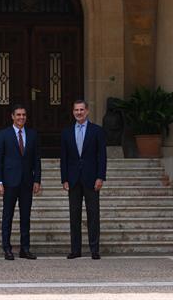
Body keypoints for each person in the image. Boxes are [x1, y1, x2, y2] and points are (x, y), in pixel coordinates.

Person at [0, 104, 41, 260]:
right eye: (18, 115)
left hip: (27, 182)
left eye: (24, 115)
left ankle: (24, 249)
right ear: (12, 116)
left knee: (25, 216)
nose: (21, 117)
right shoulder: (3, 134)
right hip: (9, 182)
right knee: (8, 216)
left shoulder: (32, 135)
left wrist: (37, 180)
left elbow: (36, 160)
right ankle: (7, 248)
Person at [60, 100, 107, 259]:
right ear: (73, 112)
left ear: (87, 111)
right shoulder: (66, 132)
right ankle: (76, 250)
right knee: (74, 215)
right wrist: (64, 178)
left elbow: (102, 156)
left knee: (93, 214)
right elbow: (64, 158)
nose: (79, 113)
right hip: (73, 179)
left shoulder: (97, 131)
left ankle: (94, 249)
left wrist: (100, 177)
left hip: (91, 178)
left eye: (81, 110)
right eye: (76, 110)